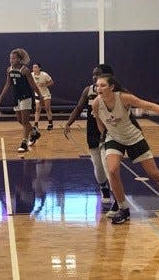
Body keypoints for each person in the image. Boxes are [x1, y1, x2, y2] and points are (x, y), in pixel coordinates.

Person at [92, 74, 159, 224]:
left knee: (155, 174)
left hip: (133, 137)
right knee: (112, 170)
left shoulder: (123, 98)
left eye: (102, 85)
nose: (99, 88)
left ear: (111, 87)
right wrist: (103, 137)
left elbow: (149, 106)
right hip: (114, 138)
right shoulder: (96, 104)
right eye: (97, 85)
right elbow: (99, 121)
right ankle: (123, 209)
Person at [63, 64, 116, 215]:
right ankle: (104, 188)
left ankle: (118, 201)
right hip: (92, 132)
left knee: (109, 168)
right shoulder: (88, 90)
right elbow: (79, 108)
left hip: (109, 133)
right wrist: (68, 123)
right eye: (93, 74)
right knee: (99, 168)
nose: (94, 76)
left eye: (97, 74)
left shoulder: (115, 92)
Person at [0, 48, 44, 153]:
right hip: (16, 97)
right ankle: (34, 132)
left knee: (25, 121)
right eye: (10, 58)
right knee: (19, 120)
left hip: (26, 96)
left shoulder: (24, 70)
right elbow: (8, 84)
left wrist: (40, 95)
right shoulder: (9, 69)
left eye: (13, 58)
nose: (11, 60)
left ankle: (24, 143)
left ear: (19, 59)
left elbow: (33, 85)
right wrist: (0, 97)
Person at [31, 63, 54, 130]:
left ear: (39, 68)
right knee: (37, 109)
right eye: (33, 67)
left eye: (35, 67)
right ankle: (36, 125)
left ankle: (50, 124)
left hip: (45, 94)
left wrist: (44, 84)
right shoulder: (31, 74)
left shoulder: (44, 75)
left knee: (47, 108)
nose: (34, 69)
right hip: (38, 94)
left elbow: (52, 82)